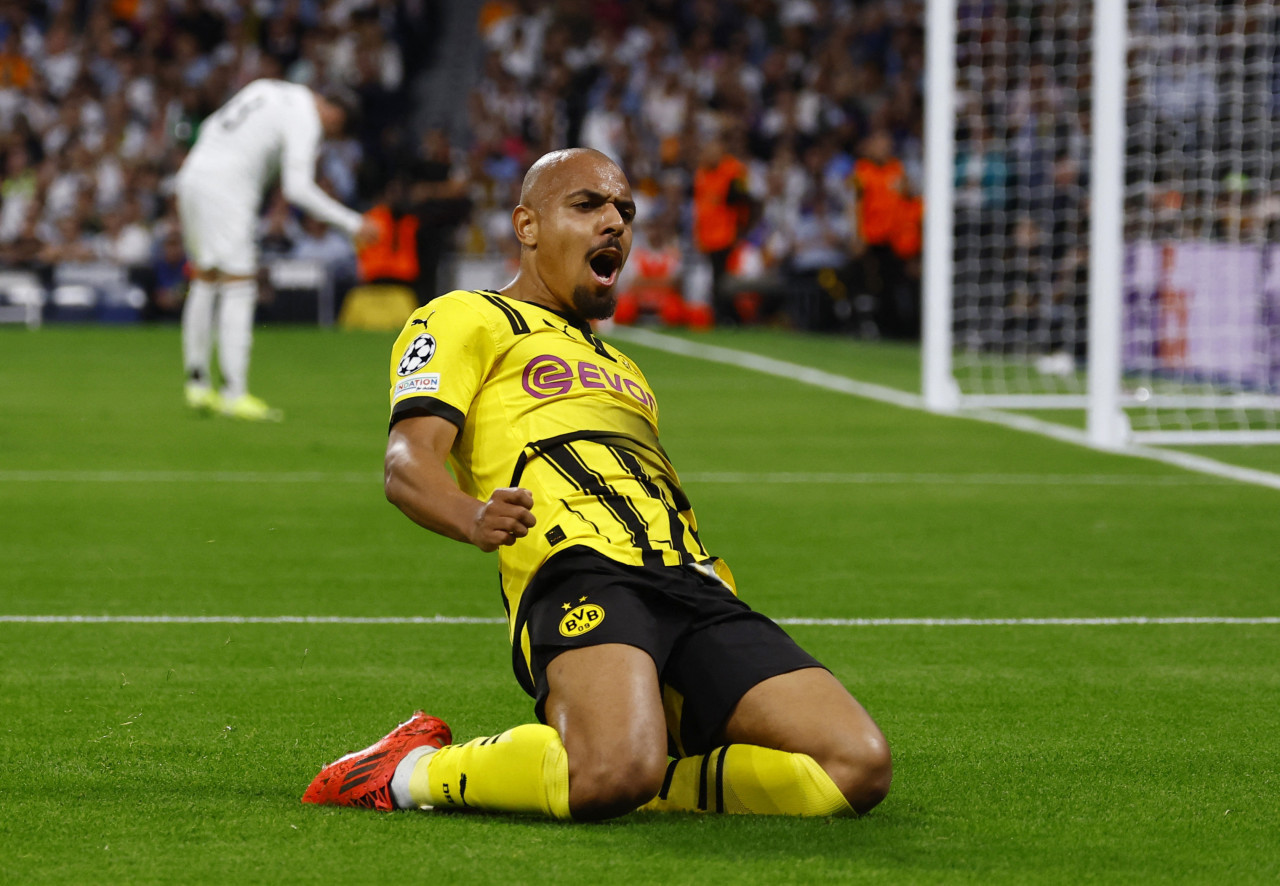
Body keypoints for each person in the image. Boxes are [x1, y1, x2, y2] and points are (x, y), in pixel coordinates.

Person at [301, 148, 891, 821]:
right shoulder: (467, 316)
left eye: (625, 211)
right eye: (587, 206)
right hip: (577, 570)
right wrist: (470, 517)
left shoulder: (627, 369)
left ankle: (639, 765)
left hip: (690, 579)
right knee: (611, 771)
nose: (614, 222)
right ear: (527, 225)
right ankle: (409, 771)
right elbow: (406, 462)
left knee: (857, 766)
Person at [175, 79, 378, 421]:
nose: (327, 135)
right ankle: (234, 393)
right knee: (239, 285)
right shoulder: (306, 117)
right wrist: (353, 224)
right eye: (334, 129)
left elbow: (211, 124)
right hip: (227, 189)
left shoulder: (268, 88)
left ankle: (197, 383)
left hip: (192, 177)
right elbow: (297, 188)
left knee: (205, 278)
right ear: (334, 113)